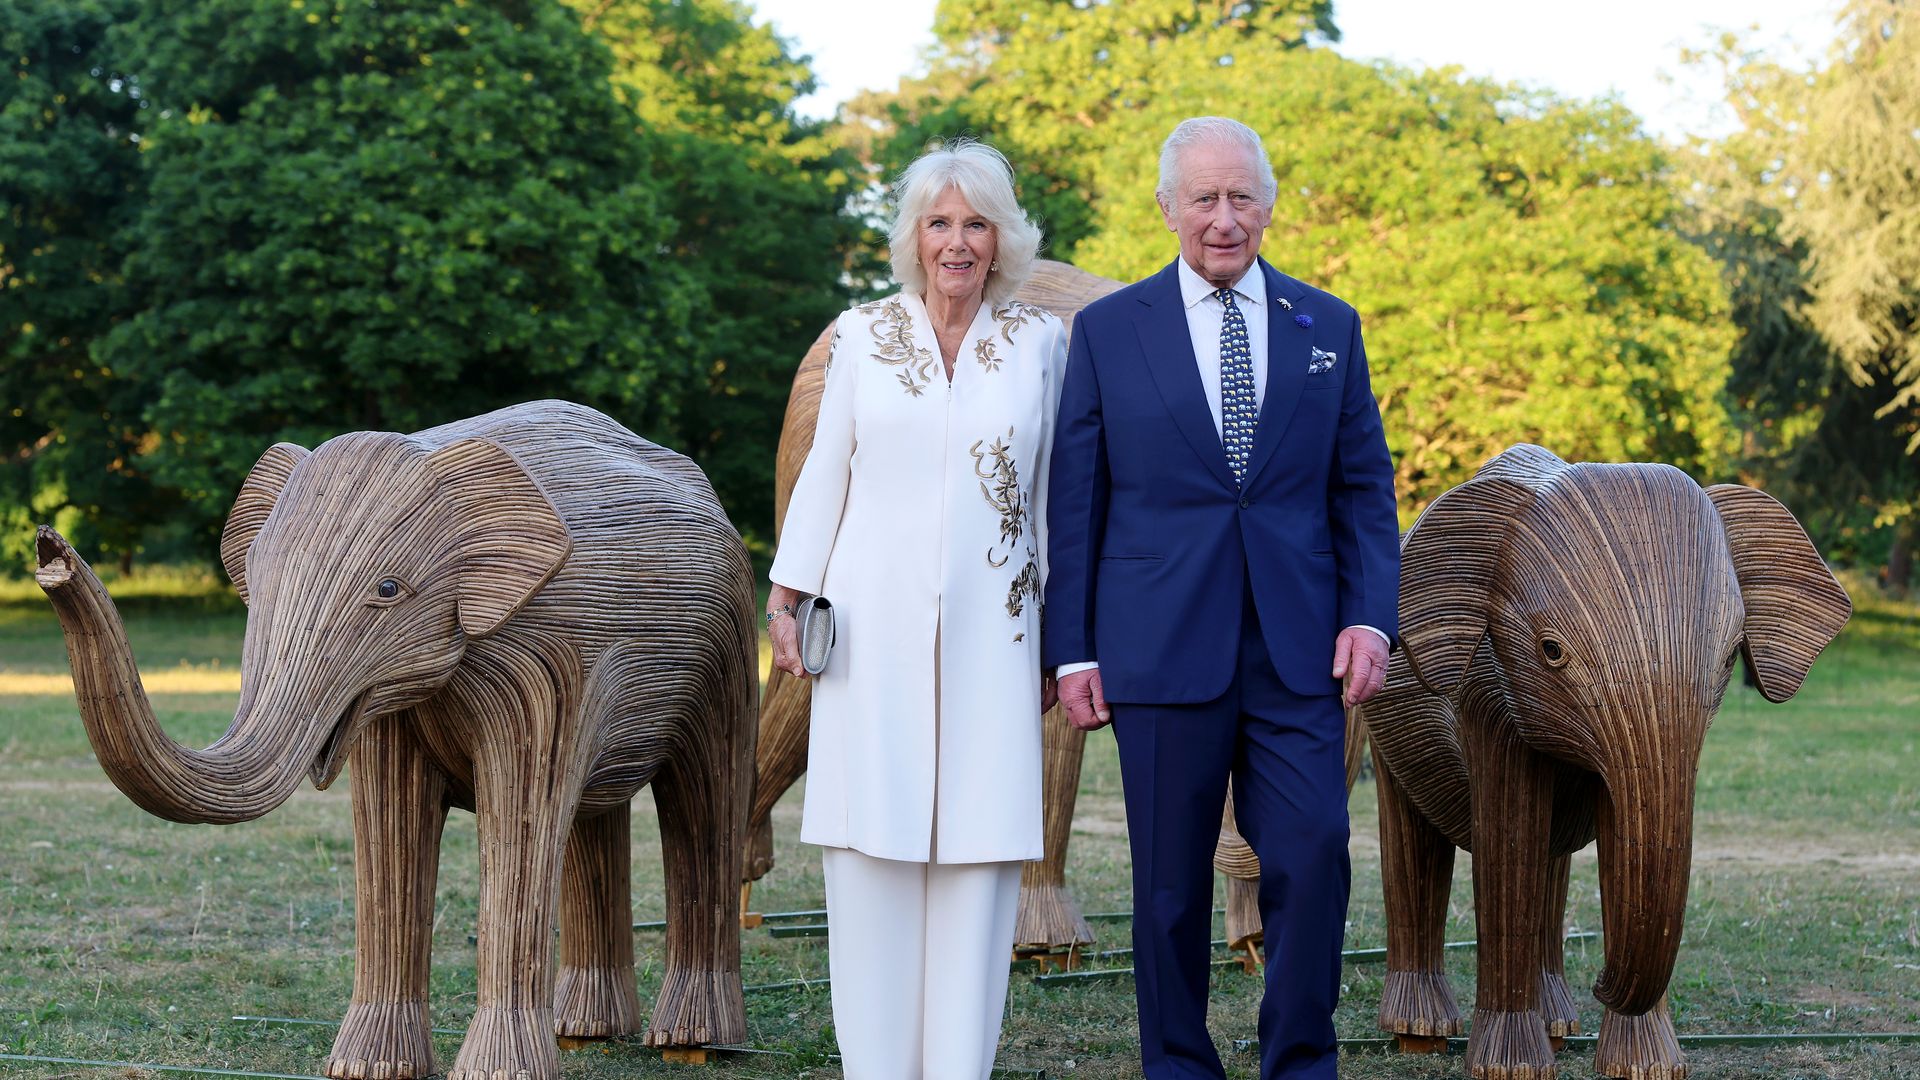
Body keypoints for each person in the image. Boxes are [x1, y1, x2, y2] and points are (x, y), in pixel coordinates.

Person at [1042, 116, 1400, 1079]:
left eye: (1242, 196)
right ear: (1166, 208)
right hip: (1157, 650)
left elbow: (1363, 486)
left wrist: (1371, 614)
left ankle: (1300, 1062)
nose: (1224, 218)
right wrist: (1071, 649)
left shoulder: (1330, 325)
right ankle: (1179, 1065)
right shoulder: (1110, 332)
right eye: (1203, 197)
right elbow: (1076, 501)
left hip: (1299, 651)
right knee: (1166, 891)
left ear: (1269, 205)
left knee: (1314, 855)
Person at [764, 138, 1067, 1080]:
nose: (957, 242)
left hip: (997, 635)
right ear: (915, 236)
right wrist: (789, 590)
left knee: (977, 869)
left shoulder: (1040, 346)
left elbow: (1058, 491)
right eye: (940, 222)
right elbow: (827, 470)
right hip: (869, 635)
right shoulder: (862, 335)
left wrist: (1065, 632)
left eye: (976, 223)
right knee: (871, 859)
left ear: (1002, 237)